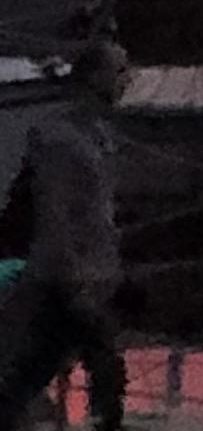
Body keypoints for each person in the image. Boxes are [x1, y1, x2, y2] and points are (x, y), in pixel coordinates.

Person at [2, 38, 127, 431]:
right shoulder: (60, 136)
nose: (128, 80)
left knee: (37, 364)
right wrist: (75, 278)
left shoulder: (96, 132)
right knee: (101, 360)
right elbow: (55, 213)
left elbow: (96, 210)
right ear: (95, 77)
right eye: (120, 71)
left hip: (87, 273)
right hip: (66, 274)